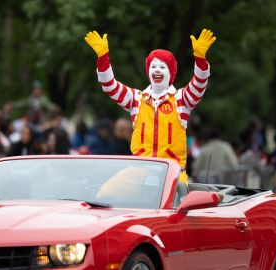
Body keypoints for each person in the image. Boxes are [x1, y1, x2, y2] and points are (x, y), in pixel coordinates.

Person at [84, 29, 216, 185]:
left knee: (170, 206)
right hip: (139, 171)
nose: (157, 70)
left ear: (170, 72)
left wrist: (200, 59)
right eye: (153, 67)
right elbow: (109, 86)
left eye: (162, 67)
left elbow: (199, 84)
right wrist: (103, 58)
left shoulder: (181, 99)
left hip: (171, 173)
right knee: (106, 197)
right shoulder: (136, 99)